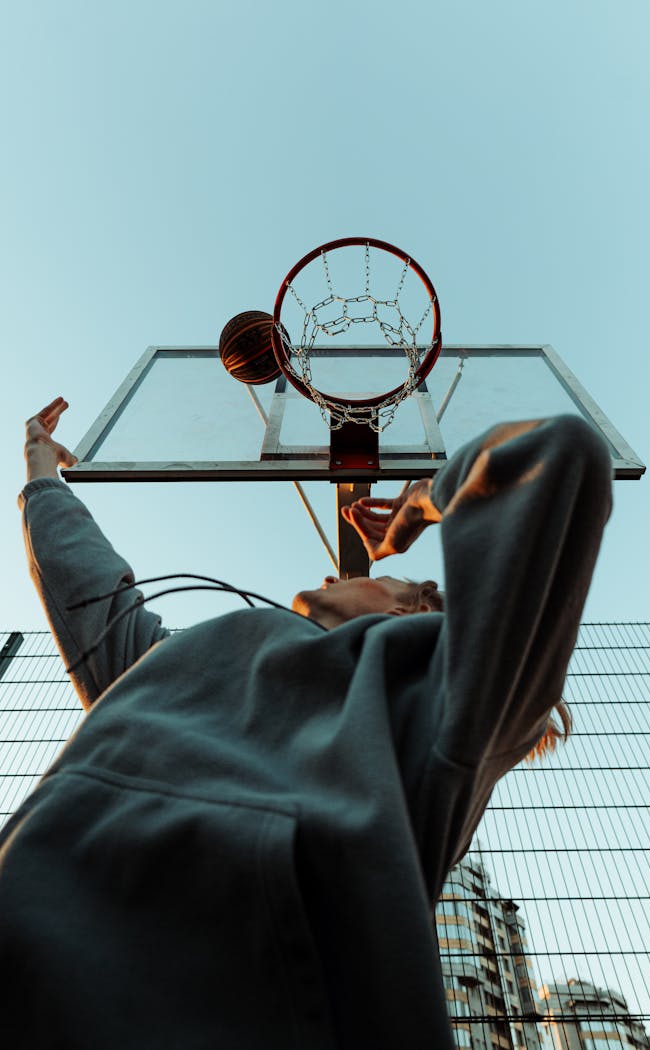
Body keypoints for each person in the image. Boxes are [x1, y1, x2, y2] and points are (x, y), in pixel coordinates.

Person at [0, 397, 612, 1049]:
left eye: (390, 579)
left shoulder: (432, 697)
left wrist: (418, 505)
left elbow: (562, 450)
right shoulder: (179, 658)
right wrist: (40, 472)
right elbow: (89, 585)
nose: (335, 571)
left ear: (411, 613)